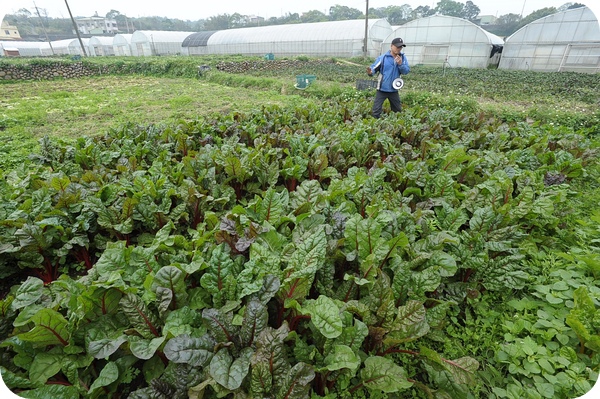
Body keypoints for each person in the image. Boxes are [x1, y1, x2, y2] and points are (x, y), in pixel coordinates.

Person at [366, 38, 410, 118]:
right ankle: (374, 126)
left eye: (400, 47)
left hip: (394, 89)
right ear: (391, 46)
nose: (399, 49)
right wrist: (370, 72)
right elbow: (374, 68)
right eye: (397, 47)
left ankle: (396, 126)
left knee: (397, 111)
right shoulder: (383, 58)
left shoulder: (402, 58)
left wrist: (400, 64)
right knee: (376, 110)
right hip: (382, 89)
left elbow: (406, 71)